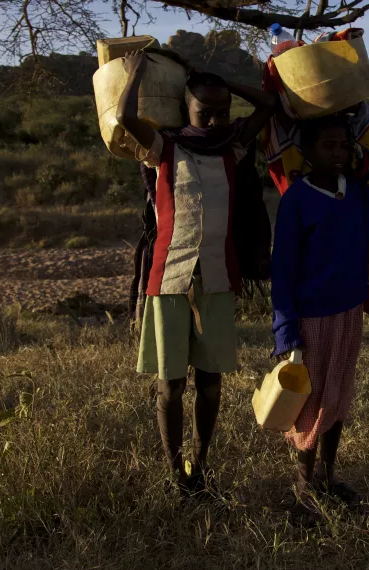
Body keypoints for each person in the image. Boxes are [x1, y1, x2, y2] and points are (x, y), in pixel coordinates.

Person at [116, 50, 277, 497]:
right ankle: (173, 473)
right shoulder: (164, 148)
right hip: (168, 279)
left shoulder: (233, 148)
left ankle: (199, 467)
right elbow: (126, 115)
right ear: (185, 108)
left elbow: (267, 106)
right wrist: (135, 73)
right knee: (170, 386)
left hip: (218, 279)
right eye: (204, 112)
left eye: (222, 112)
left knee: (210, 384)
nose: (214, 121)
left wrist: (225, 83)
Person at [270, 114, 369, 520]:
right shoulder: (297, 199)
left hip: (349, 312)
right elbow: (282, 269)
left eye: (343, 145)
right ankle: (304, 486)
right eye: (327, 146)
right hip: (312, 318)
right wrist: (285, 330)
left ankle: (329, 478)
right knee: (309, 404)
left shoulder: (357, 192)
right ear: (307, 152)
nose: (337, 153)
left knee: (338, 398)